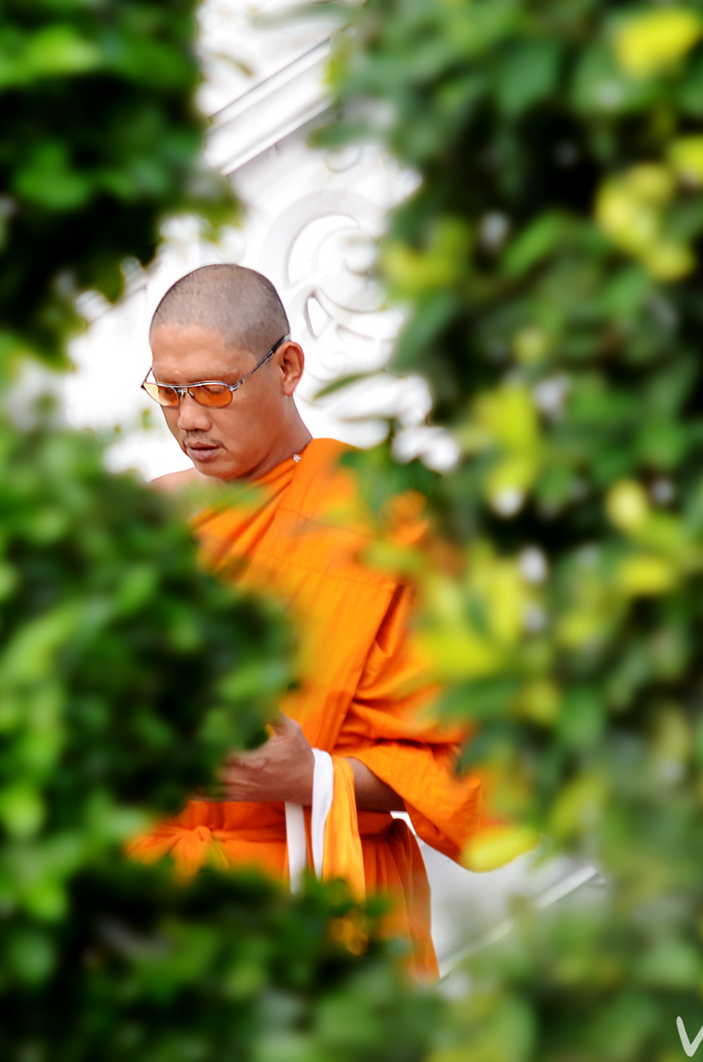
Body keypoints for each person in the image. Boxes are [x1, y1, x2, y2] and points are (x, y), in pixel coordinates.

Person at [125, 263, 495, 977]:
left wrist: (313, 779)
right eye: (167, 393)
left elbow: (470, 765)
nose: (190, 419)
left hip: (319, 901)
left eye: (212, 389)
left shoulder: (392, 522)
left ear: (287, 367)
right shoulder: (146, 522)